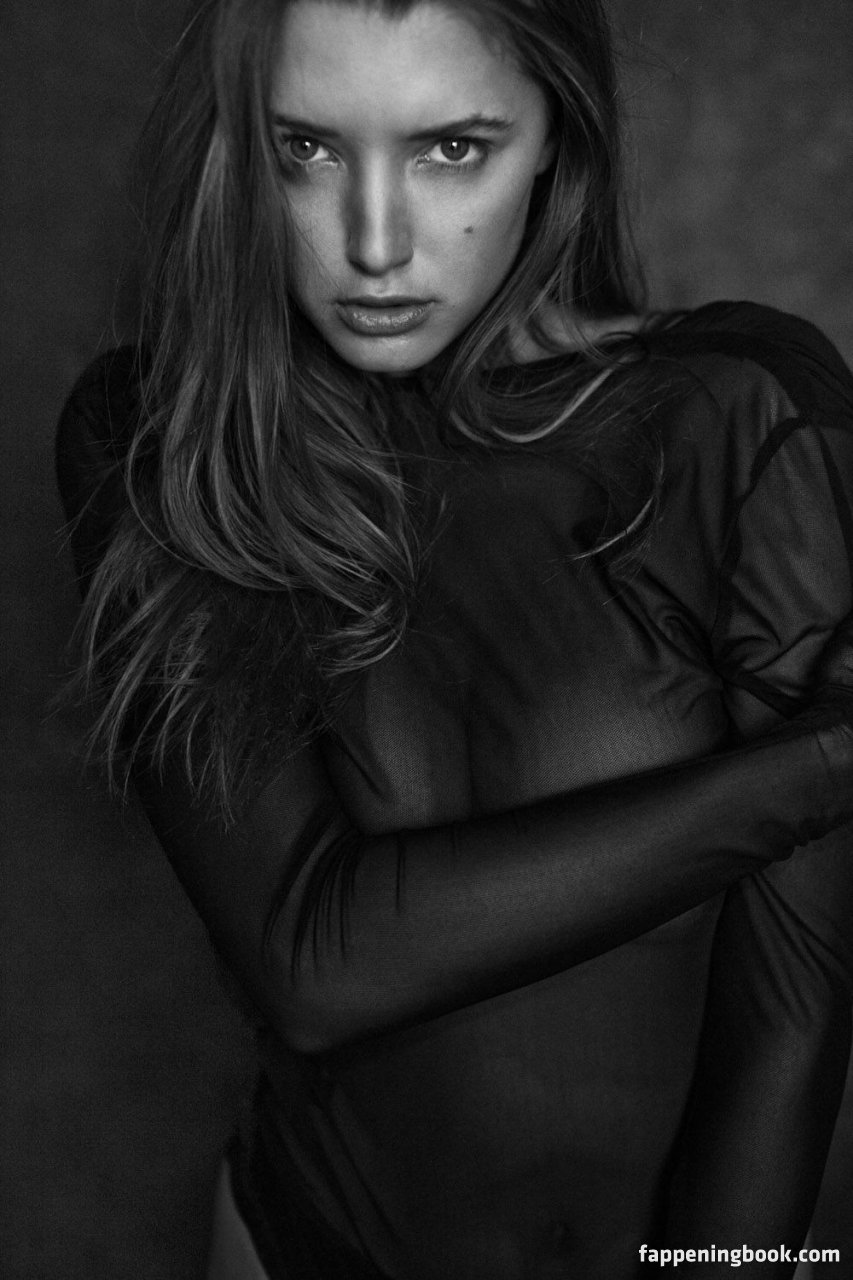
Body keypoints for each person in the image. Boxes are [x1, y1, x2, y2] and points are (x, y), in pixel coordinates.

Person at [55, 1, 853, 1277]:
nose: (374, 244)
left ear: (555, 138)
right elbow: (311, 964)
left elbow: (789, 1020)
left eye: (451, 148)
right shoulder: (166, 439)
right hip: (290, 1245)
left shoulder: (739, 415)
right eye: (307, 148)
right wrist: (818, 769)